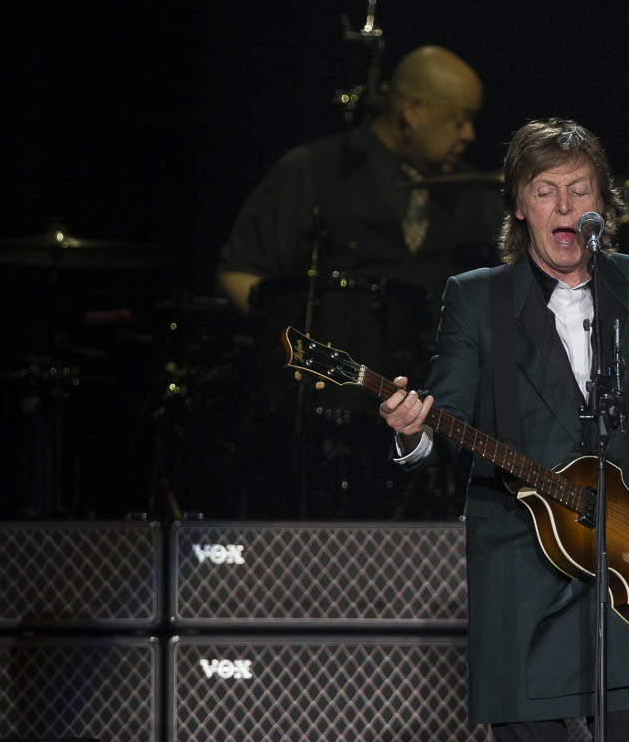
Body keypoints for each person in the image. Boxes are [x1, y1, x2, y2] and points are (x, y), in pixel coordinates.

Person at [379, 118, 629, 742]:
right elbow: (444, 416)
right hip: (519, 564)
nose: (564, 207)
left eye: (579, 190)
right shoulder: (477, 298)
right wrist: (414, 431)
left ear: (602, 204)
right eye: (545, 191)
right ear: (518, 205)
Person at [216, 45, 504, 518]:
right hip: (321, 412)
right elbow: (238, 271)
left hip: (437, 415)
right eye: (459, 120)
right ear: (413, 110)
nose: (469, 135)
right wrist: (296, 342)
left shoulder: (474, 196)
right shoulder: (314, 171)